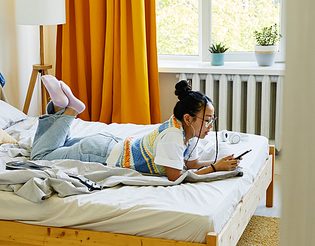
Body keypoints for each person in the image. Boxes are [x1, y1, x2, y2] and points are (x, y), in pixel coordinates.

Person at [31, 77, 240, 181]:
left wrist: (217, 162)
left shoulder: (184, 129)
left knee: (60, 146)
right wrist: (215, 169)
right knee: (41, 156)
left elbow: (190, 163)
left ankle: (62, 106)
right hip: (100, 151)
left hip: (106, 145)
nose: (210, 126)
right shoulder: (173, 137)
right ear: (188, 118)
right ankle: (69, 110)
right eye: (207, 120)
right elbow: (176, 176)